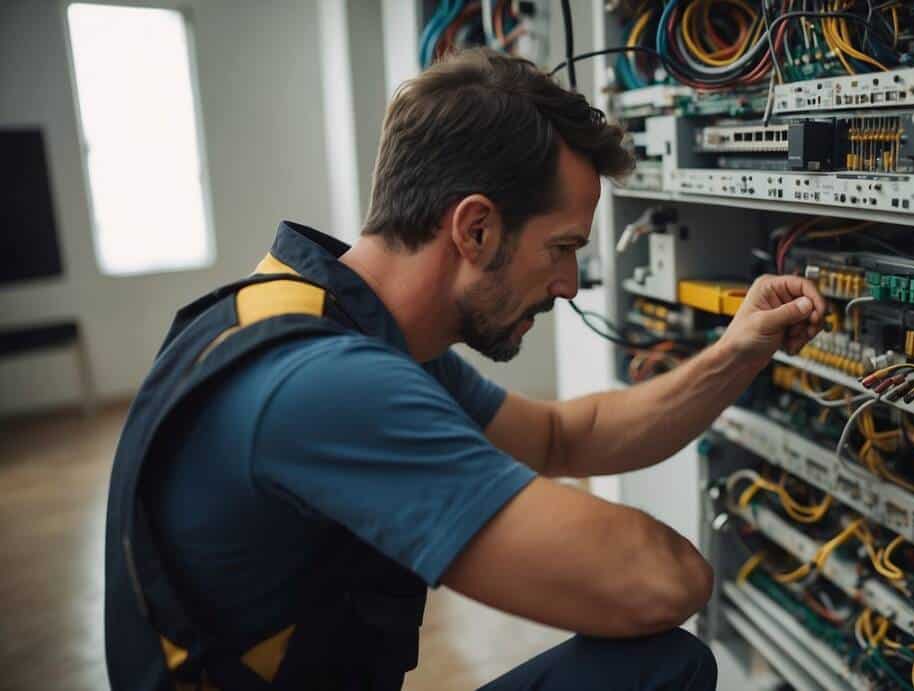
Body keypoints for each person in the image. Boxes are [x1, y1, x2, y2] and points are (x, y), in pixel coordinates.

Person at [103, 48, 827, 691]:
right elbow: (660, 581)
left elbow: (562, 437)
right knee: (662, 665)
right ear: (475, 228)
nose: (572, 282)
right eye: (563, 247)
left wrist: (739, 350)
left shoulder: (317, 317)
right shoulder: (328, 383)